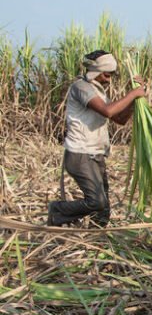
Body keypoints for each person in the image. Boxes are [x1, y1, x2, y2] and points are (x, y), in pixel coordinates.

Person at [47, 50, 146, 227]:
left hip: (95, 154)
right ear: (97, 72)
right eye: (107, 75)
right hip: (80, 154)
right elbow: (107, 111)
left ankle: (96, 238)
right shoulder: (81, 87)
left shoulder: (98, 92)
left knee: (103, 209)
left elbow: (120, 119)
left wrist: (136, 101)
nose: (109, 79)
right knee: (96, 201)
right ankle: (58, 211)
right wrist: (133, 94)